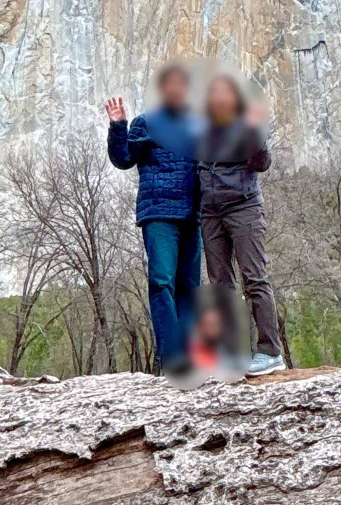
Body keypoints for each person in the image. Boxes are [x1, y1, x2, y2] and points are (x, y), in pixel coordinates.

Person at [106, 65, 201, 377]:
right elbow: (123, 159)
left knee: (190, 287)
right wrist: (118, 126)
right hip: (158, 212)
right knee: (161, 282)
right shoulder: (146, 123)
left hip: (193, 215)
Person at [198, 72, 285, 377]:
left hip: (244, 207)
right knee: (220, 284)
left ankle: (270, 352)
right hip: (209, 213)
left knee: (255, 278)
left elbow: (261, 163)